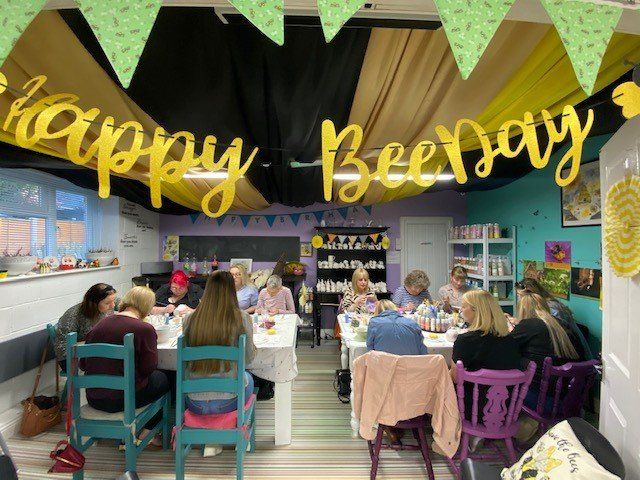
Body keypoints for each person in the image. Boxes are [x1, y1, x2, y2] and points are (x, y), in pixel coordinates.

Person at [82, 286, 169, 447]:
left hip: (94, 397)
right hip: (123, 400)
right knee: (166, 377)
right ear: (146, 307)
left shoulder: (99, 325)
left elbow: (83, 364)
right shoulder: (144, 329)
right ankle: (148, 432)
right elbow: (148, 368)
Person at [183, 271, 256, 455]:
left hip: (194, 401)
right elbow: (248, 358)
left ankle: (213, 440)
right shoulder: (241, 318)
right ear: (231, 290)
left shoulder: (189, 319)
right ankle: (240, 434)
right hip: (228, 400)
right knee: (248, 378)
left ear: (207, 289)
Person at [510, 292, 581, 411]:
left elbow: (506, 347)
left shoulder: (528, 324)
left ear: (522, 310)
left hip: (542, 400)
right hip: (566, 399)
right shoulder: (559, 324)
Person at [515, 278, 593, 359]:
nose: (519, 299)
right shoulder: (542, 306)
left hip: (568, 354)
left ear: (530, 296)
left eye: (519, 296)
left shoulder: (553, 308)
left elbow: (549, 334)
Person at [54, 283, 117, 371]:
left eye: (114, 301)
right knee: (117, 365)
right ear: (94, 303)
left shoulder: (105, 308)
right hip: (69, 356)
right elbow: (64, 347)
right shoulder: (73, 315)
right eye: (108, 303)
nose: (113, 305)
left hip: (93, 349)